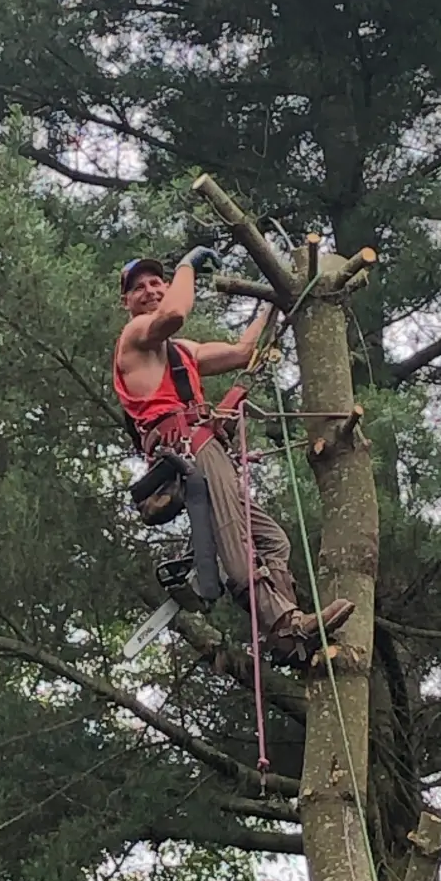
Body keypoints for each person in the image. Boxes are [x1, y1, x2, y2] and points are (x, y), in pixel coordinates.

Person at [112, 248, 355, 659]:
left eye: (157, 283)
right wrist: (186, 266)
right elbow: (172, 315)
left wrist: (274, 306)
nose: (151, 291)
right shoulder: (135, 336)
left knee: (272, 540)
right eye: (140, 288)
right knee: (235, 539)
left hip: (205, 445)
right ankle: (285, 622)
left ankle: (285, 634)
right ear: (127, 302)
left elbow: (244, 351)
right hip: (188, 447)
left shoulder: (181, 351)